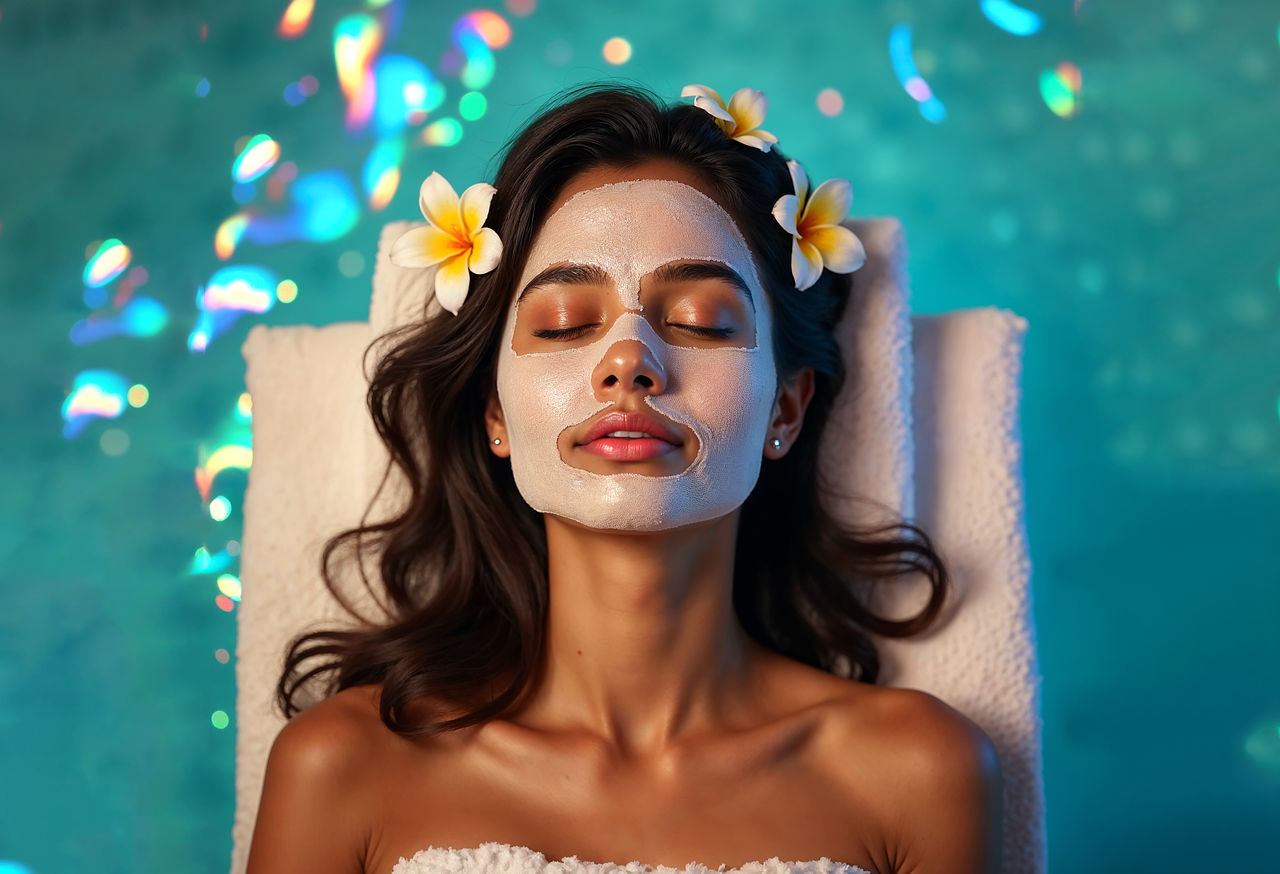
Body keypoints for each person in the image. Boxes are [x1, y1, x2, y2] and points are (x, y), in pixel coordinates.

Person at [246, 85, 1001, 874]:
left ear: (785, 407)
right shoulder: (344, 767)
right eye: (566, 323)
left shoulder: (918, 773)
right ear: (495, 411)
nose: (630, 361)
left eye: (702, 321)